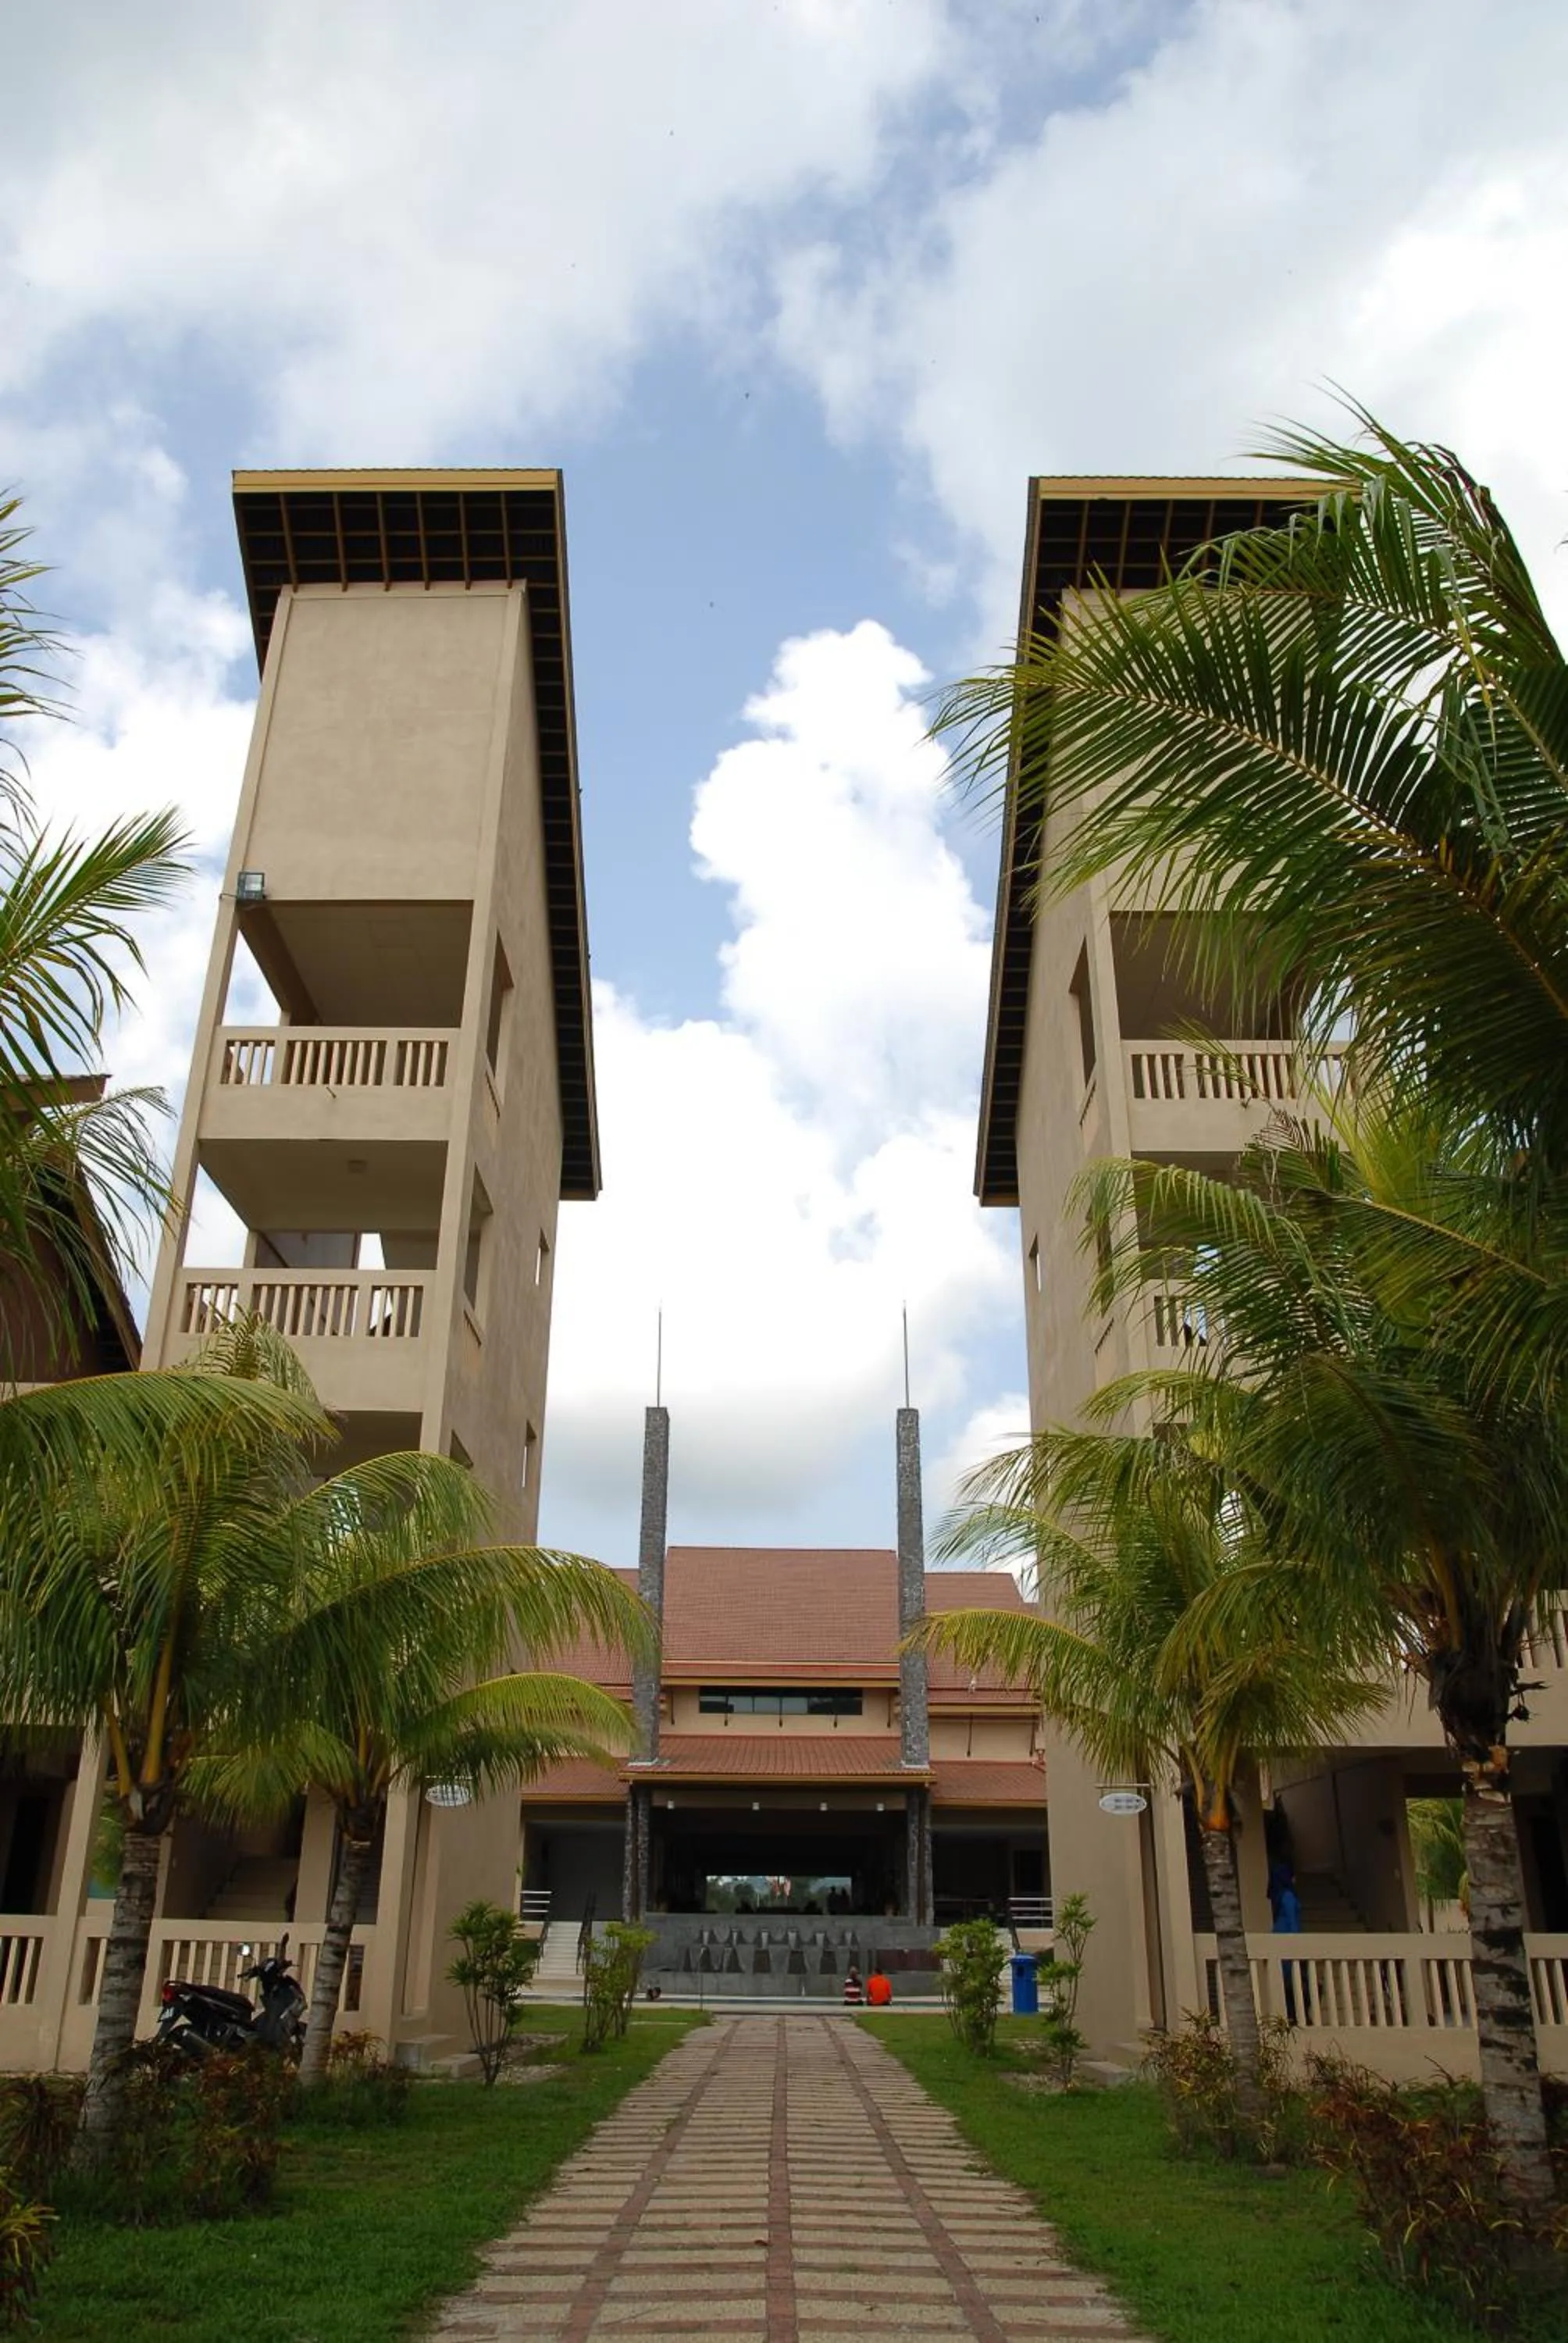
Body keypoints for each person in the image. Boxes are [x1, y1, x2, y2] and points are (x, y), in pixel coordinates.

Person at [1268, 1860, 1303, 2024]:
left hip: (1279, 1934)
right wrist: (1297, 1942)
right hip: (1287, 1936)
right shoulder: (1288, 1896)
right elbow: (1292, 1919)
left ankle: (1290, 2013)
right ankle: (1293, 2014)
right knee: (1294, 1979)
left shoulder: (1279, 1895)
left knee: (1287, 1979)